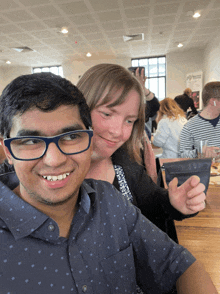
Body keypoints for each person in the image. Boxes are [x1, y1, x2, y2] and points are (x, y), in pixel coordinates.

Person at [0, 72, 217, 294]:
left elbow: (176, 263)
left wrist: (173, 202)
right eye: (31, 141)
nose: (54, 160)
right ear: (7, 150)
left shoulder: (110, 194)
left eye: (71, 136)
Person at [77, 63, 206, 245]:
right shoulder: (56, 172)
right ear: (81, 109)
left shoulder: (123, 159)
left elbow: (151, 200)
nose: (118, 131)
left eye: (129, 121)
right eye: (107, 114)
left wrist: (174, 202)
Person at [179, 81, 220, 159]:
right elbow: (182, 155)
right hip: (206, 170)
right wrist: (199, 152)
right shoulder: (189, 126)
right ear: (213, 101)